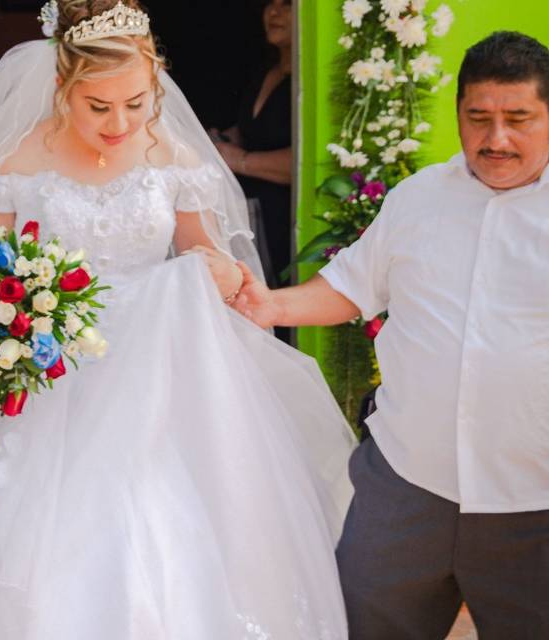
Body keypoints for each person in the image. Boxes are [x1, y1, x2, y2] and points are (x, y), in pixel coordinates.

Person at [0, 2, 356, 638]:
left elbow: (201, 250)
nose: (120, 122)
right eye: (98, 107)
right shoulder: (19, 158)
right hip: (45, 368)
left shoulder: (173, 155)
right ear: (62, 89)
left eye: (136, 102)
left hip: (155, 372)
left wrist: (214, 267)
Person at [232, 31, 549, 640]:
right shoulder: (419, 197)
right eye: (478, 118)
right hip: (406, 486)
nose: (495, 139)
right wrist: (268, 304)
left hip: (530, 501)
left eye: (518, 119)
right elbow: (351, 286)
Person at [213, 0, 293, 291]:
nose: (274, 12)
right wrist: (220, 141)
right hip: (251, 213)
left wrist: (240, 160)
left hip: (285, 217)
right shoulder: (266, 71)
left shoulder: (307, 81)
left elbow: (305, 158)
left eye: (288, 4)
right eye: (269, 4)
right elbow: (255, 130)